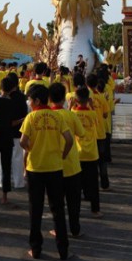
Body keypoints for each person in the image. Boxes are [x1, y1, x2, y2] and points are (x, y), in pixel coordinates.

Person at [20, 84, 73, 260]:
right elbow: (69, 139)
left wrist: (31, 148)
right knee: (58, 209)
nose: (28, 102)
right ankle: (63, 249)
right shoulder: (57, 116)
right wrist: (63, 155)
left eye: (29, 99)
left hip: (35, 168)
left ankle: (35, 249)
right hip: (55, 167)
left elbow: (22, 141)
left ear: (36, 101)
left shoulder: (31, 118)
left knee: (35, 210)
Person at [49, 82, 85, 237]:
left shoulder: (47, 115)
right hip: (72, 164)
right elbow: (82, 133)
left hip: (54, 164)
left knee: (57, 202)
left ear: (49, 98)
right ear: (64, 98)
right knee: (74, 201)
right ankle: (75, 228)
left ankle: (59, 229)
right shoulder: (71, 114)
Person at [0, 74, 26, 206]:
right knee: (6, 165)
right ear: (12, 89)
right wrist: (23, 119)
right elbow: (13, 122)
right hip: (7, 136)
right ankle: (4, 197)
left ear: (0, 87)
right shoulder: (11, 103)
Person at [71, 86, 102, 218]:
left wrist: (70, 106)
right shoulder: (93, 113)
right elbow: (97, 121)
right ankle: (95, 209)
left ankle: (76, 211)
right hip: (91, 153)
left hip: (77, 153)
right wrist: (91, 106)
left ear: (76, 100)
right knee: (93, 182)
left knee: (76, 184)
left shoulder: (73, 114)